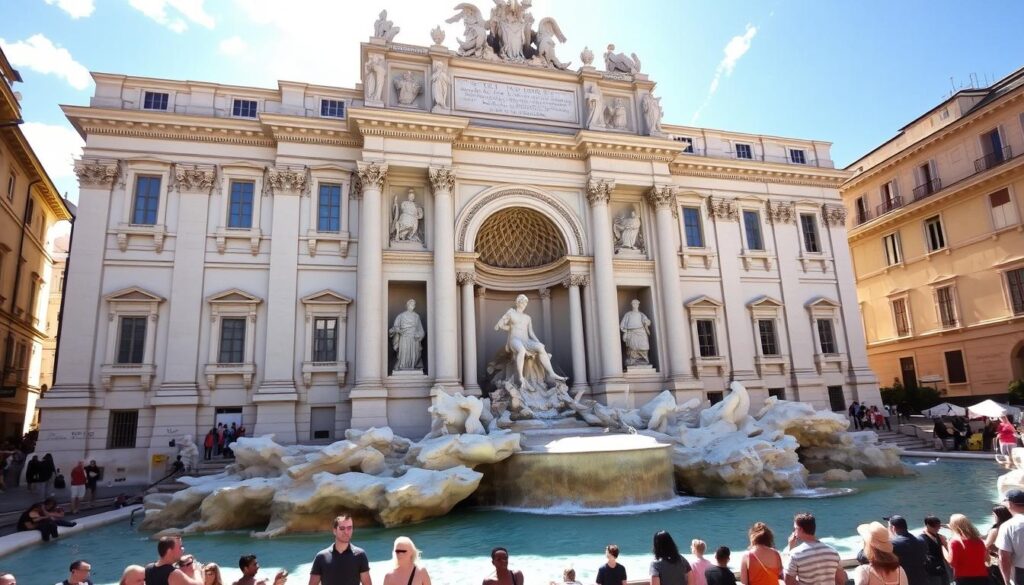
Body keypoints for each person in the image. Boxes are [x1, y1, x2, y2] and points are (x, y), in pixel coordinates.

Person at [784, 512, 845, 585]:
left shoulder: (795, 554)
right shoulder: (833, 552)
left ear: (800, 529)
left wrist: (790, 548)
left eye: (795, 528)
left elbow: (788, 581)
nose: (794, 531)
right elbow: (841, 581)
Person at [309, 514, 371, 585]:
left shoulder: (360, 555)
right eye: (342, 528)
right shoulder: (321, 557)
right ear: (334, 531)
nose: (346, 532)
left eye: (349, 528)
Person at [943, 514, 989, 585]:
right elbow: (986, 559)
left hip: (964, 578)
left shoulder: (955, 542)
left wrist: (943, 549)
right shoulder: (979, 541)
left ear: (953, 526)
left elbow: (952, 563)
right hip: (982, 576)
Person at [886, 516, 929, 585]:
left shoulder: (893, 544)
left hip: (905, 581)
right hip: (922, 579)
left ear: (893, 528)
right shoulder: (921, 540)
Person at [997, 489, 1024, 585]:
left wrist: (1006, 581)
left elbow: (1004, 557)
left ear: (1009, 503)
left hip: (1020, 574)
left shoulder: (1008, 526)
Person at [920, 516, 950, 585]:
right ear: (927, 525)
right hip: (932, 569)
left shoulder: (940, 537)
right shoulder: (922, 538)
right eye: (935, 526)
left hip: (942, 567)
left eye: (938, 526)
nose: (938, 528)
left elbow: (948, 549)